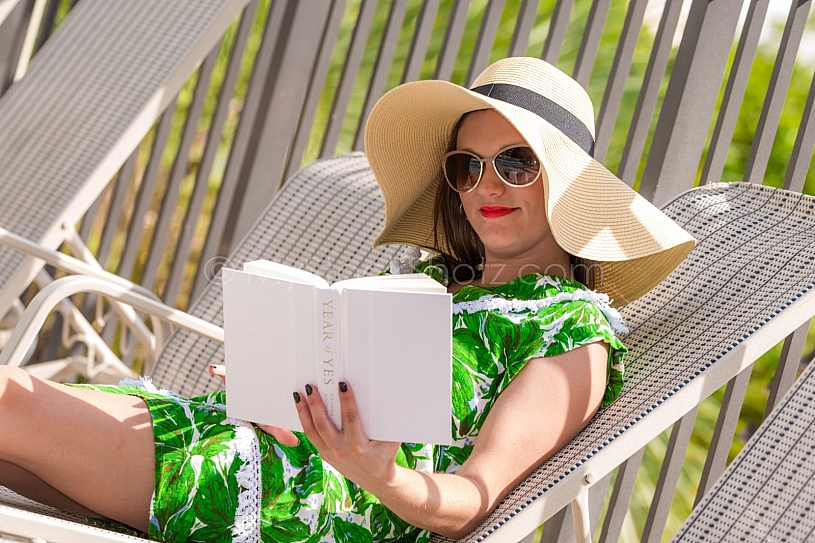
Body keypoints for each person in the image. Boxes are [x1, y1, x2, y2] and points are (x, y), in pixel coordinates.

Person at [0, 57, 694, 542]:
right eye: (467, 164)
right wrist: (282, 396)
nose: (488, 183)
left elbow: (473, 500)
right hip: (248, 447)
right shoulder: (424, 290)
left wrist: (382, 476)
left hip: (308, 506)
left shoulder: (569, 330)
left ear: (566, 184)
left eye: (516, 161)